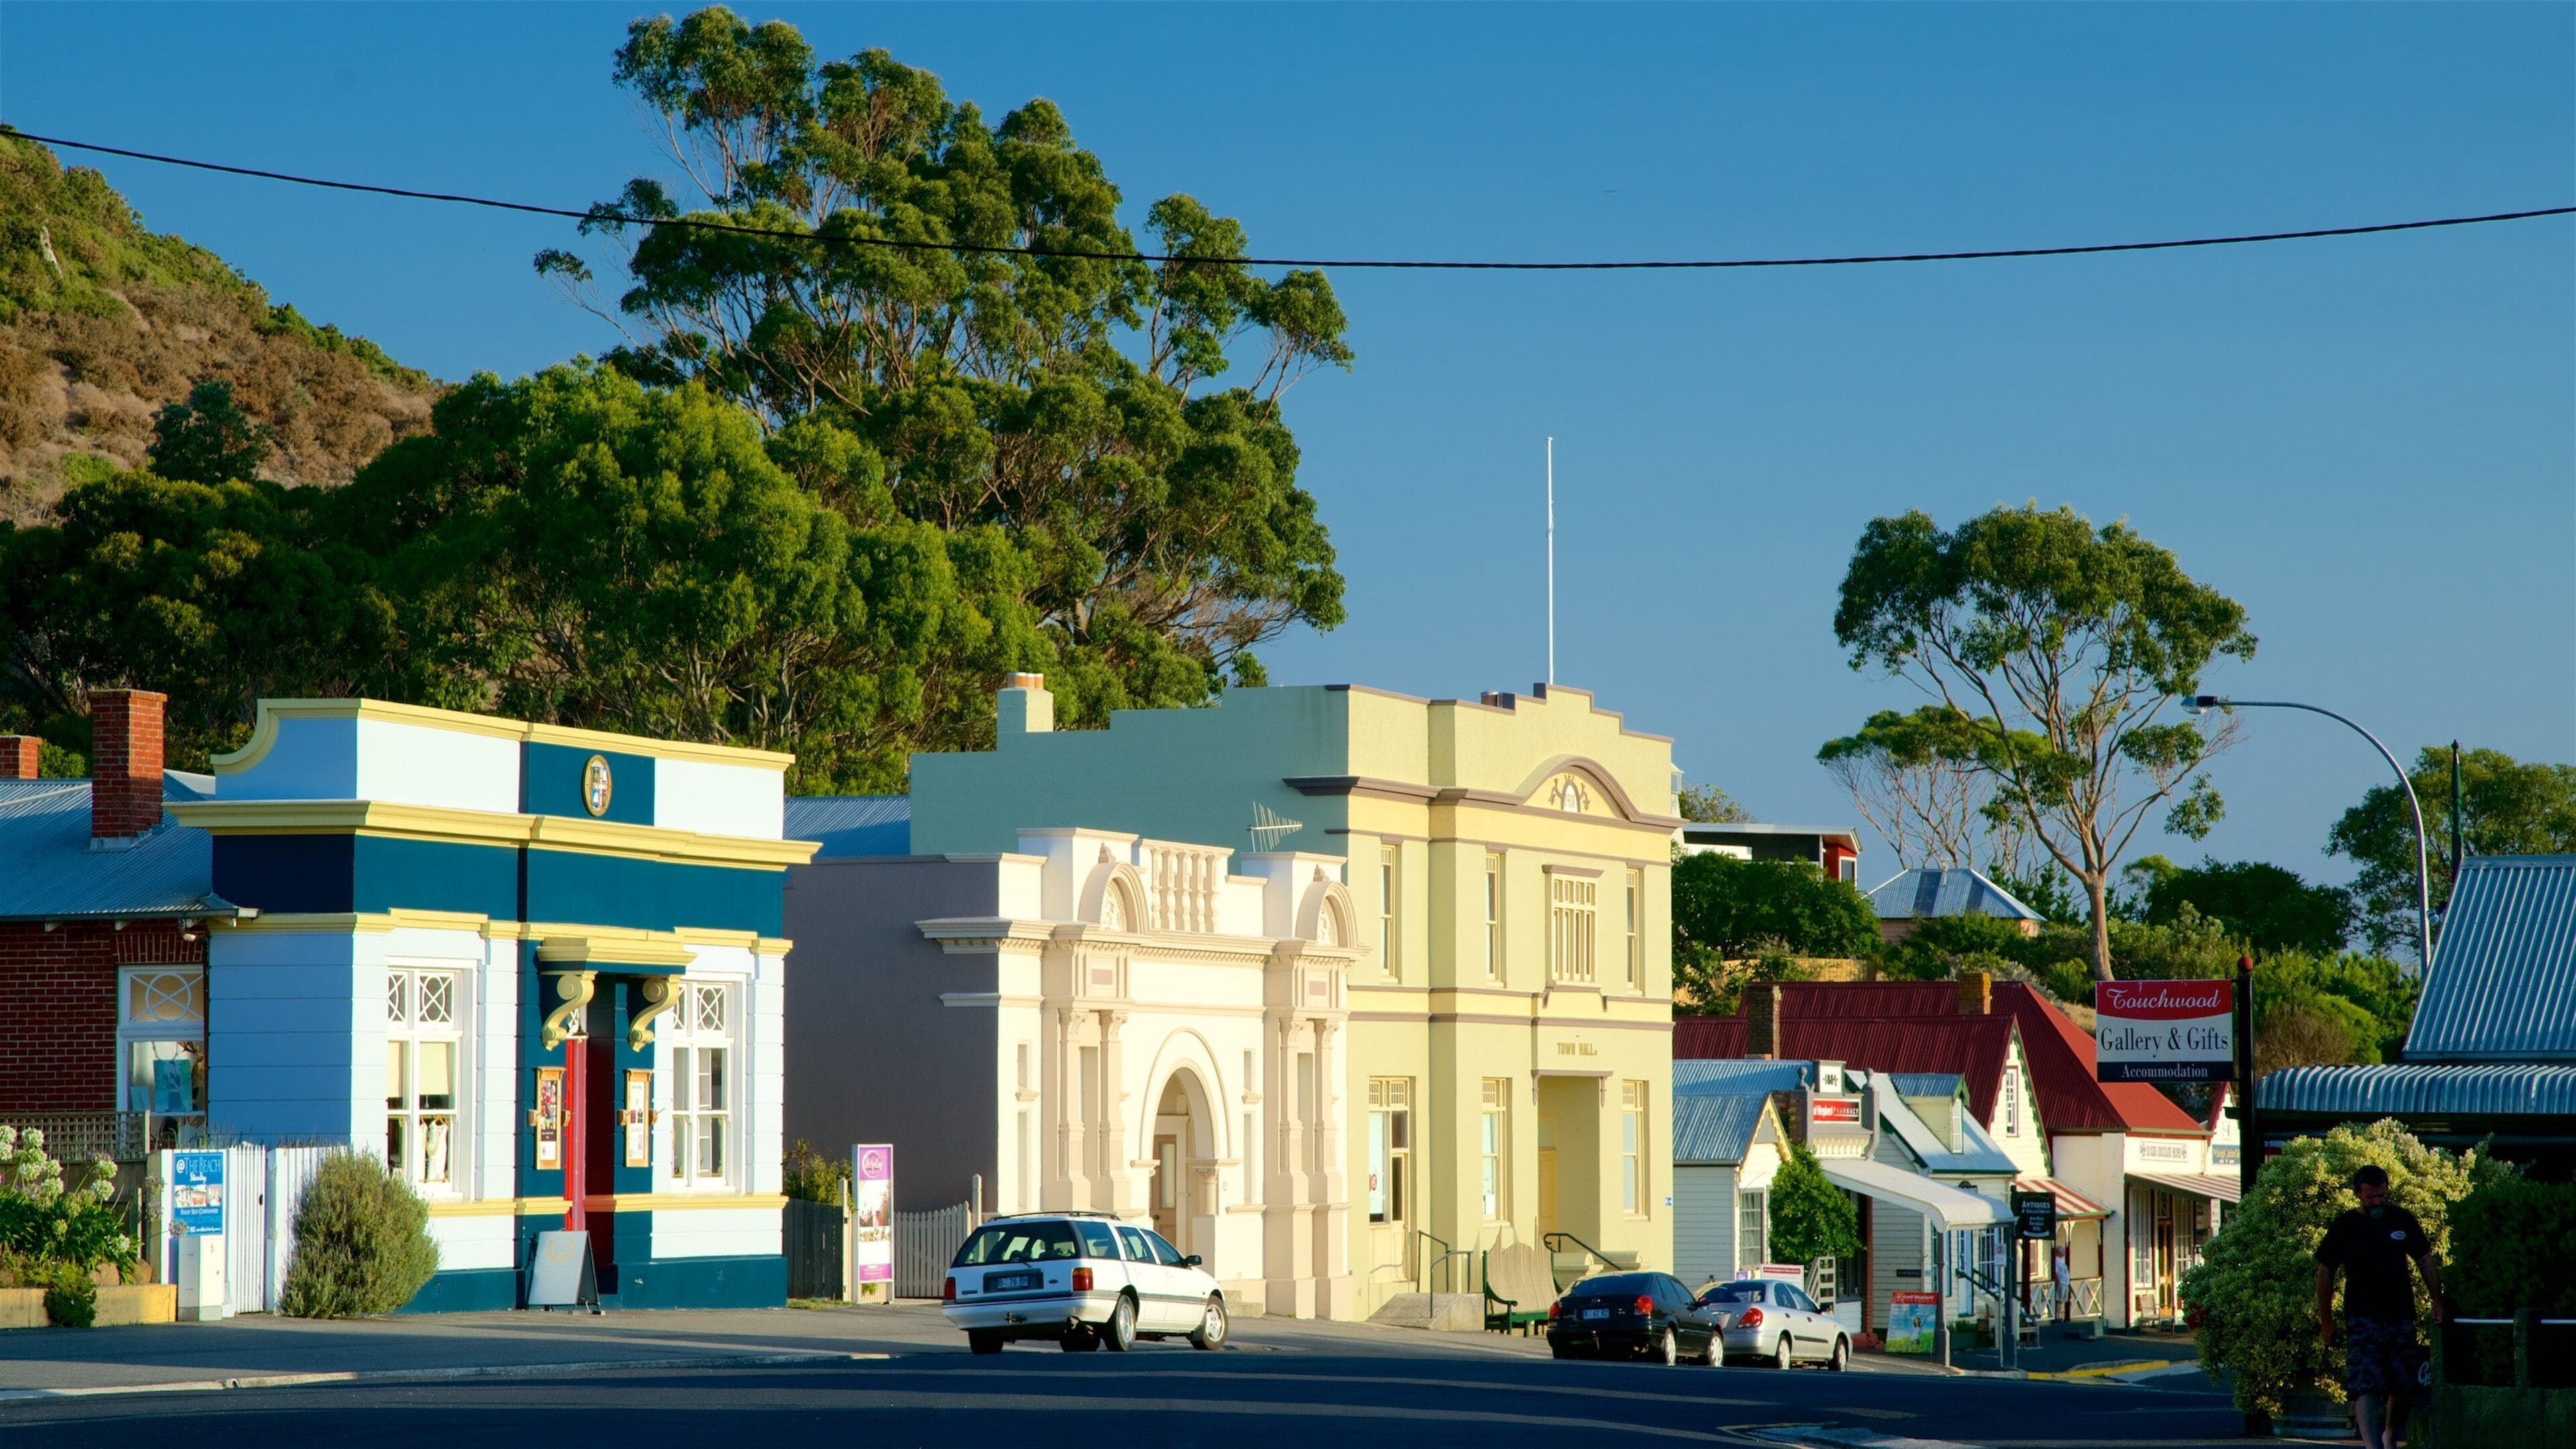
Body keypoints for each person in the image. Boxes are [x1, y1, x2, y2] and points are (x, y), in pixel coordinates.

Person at [2316, 1165, 2445, 1449]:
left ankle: (2389, 1433)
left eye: (2381, 1196)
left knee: (2401, 1384)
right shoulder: (2345, 1225)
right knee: (2365, 1383)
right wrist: (2327, 1320)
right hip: (2362, 1316)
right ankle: (2372, 1446)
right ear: (2358, 1194)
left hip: (2400, 1314)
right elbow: (2325, 1271)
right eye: (2370, 1197)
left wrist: (2436, 1299)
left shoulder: (2402, 1220)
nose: (2376, 1202)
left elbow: (2424, 1259)